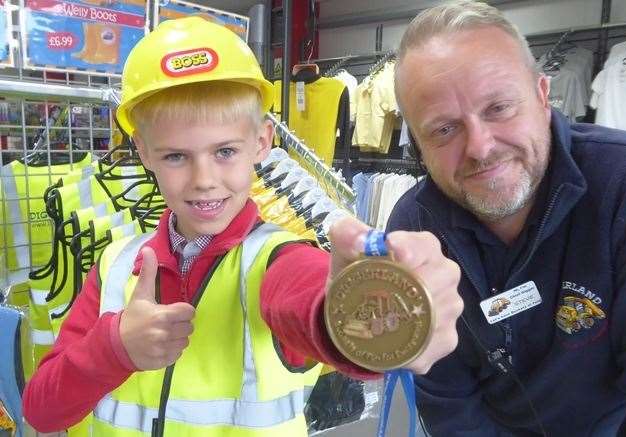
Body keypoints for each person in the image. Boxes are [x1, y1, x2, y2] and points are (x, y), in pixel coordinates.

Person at [22, 16, 464, 436]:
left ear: (262, 142)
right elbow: (41, 410)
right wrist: (114, 348)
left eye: (225, 152)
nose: (203, 179)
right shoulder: (116, 266)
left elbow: (315, 308)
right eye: (176, 156)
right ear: (143, 151)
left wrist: (365, 310)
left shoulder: (278, 262)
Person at [389, 0, 626, 435]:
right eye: (444, 129)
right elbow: (447, 401)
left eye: (499, 107)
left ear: (543, 97)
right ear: (418, 143)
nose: (481, 147)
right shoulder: (413, 228)